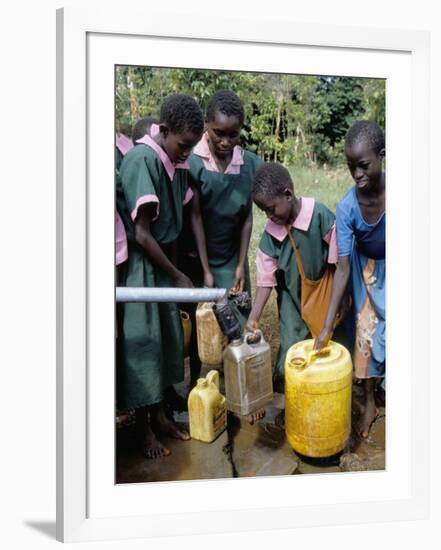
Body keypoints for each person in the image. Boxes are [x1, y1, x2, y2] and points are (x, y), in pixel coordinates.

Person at [116, 94, 212, 459]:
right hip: (142, 269)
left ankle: (159, 418)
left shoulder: (176, 160)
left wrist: (177, 274)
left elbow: (179, 219)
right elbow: (142, 234)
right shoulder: (143, 160)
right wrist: (176, 275)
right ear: (165, 131)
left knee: (166, 344)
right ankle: (143, 430)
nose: (187, 153)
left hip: (162, 267)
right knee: (144, 348)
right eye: (183, 145)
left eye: (191, 146)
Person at [245, 162, 338, 425]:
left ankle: (327, 399)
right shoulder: (270, 236)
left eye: (271, 209)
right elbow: (265, 281)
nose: (268, 216)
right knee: (292, 350)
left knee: (329, 347)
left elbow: (340, 259)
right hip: (291, 303)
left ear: (288, 194)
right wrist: (254, 317)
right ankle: (295, 406)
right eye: (263, 211)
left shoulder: (319, 215)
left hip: (325, 294)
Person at [314, 121, 385, 439]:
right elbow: (342, 267)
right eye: (351, 167)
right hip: (364, 271)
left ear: (382, 156)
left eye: (364, 165)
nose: (357, 174)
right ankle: (370, 399)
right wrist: (327, 326)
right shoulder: (346, 208)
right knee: (365, 336)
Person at [187, 90, 263, 329]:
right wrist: (206, 269)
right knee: (204, 326)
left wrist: (241, 264)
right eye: (218, 133)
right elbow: (195, 217)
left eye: (233, 135)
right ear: (206, 126)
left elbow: (247, 218)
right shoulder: (192, 162)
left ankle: (235, 367)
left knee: (237, 322)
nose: (226, 142)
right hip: (199, 257)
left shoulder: (250, 165)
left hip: (233, 257)